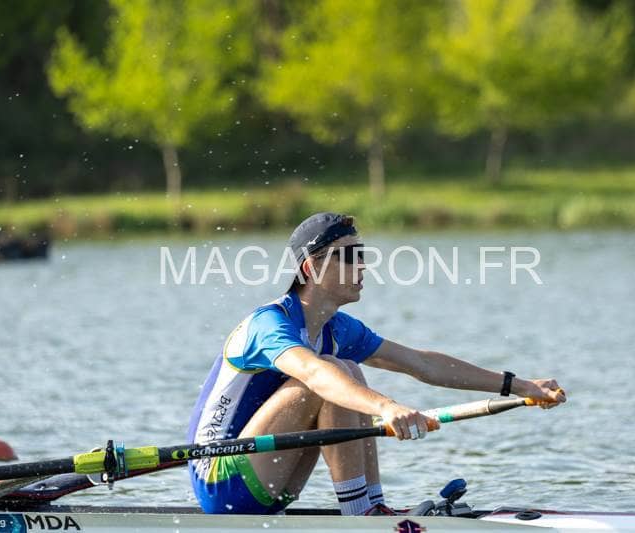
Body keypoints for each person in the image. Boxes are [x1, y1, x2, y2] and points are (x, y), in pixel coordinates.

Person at [187, 212, 566, 516]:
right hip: (221, 477)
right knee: (334, 373)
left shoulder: (337, 328)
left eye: (363, 255)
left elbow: (421, 364)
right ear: (310, 269)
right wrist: (386, 407)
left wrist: (520, 386)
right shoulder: (269, 325)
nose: (363, 266)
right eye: (349, 256)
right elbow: (315, 374)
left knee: (348, 369)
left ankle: (371, 506)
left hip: (272, 477)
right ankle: (361, 514)